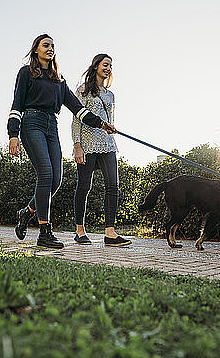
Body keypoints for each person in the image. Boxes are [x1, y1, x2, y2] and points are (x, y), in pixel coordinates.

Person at [7, 34, 115, 249]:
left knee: (55, 181)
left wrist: (102, 124)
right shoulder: (26, 73)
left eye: (52, 46)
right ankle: (45, 233)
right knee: (45, 174)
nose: (50, 48)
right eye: (46, 45)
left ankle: (26, 212)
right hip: (32, 122)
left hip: (51, 125)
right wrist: (13, 134)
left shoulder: (59, 79)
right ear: (36, 49)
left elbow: (78, 109)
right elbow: (17, 103)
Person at [71, 54, 131, 247]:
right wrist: (77, 145)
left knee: (113, 186)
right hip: (88, 143)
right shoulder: (83, 91)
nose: (108, 68)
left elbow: (109, 120)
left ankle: (110, 233)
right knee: (84, 186)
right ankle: (80, 230)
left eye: (110, 66)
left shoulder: (110, 94)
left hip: (107, 144)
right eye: (105, 64)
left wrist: (111, 127)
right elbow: (76, 119)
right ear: (96, 66)